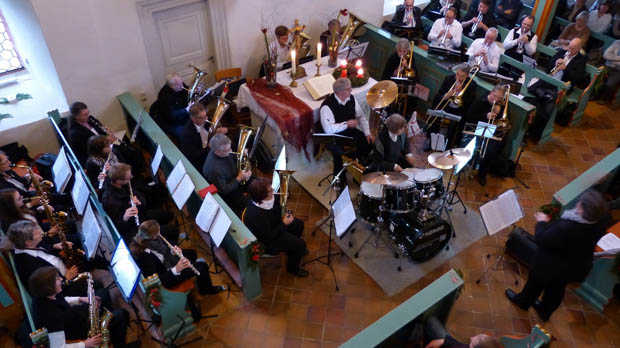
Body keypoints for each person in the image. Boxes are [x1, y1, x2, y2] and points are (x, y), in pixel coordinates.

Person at [505, 190, 610, 321]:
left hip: (552, 264)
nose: (577, 203)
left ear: (583, 211)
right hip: (575, 266)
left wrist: (542, 222)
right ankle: (545, 311)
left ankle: (523, 302)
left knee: (535, 282)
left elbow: (542, 239)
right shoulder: (602, 219)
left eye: (580, 204)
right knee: (556, 288)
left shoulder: (569, 227)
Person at [29, 266, 138, 348]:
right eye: (57, 280)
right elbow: (58, 346)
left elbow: (61, 300)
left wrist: (80, 299)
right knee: (121, 314)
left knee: (103, 293)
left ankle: (110, 334)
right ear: (49, 287)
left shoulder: (43, 295)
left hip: (72, 317)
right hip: (78, 333)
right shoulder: (52, 317)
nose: (61, 280)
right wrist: (85, 344)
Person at [130, 220, 223, 294]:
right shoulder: (145, 257)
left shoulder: (148, 239)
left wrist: (172, 251)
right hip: (168, 276)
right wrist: (176, 269)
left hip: (167, 262)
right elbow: (154, 281)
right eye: (158, 232)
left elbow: (163, 250)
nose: (160, 233)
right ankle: (206, 290)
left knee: (192, 254)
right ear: (153, 236)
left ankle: (194, 275)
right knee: (202, 266)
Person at [244, 178, 308, 277]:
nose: (273, 190)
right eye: (270, 190)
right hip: (268, 242)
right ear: (263, 196)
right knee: (300, 244)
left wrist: (286, 199)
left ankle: (292, 251)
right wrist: (283, 223)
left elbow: (278, 205)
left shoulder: (267, 199)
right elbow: (267, 237)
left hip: (276, 227)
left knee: (299, 224)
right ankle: (292, 268)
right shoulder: (255, 215)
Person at [101, 163, 179, 243]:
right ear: (118, 181)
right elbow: (116, 227)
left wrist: (139, 201)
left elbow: (141, 197)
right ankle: (163, 247)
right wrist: (125, 218)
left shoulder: (124, 184)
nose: (131, 177)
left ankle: (158, 238)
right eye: (128, 177)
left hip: (141, 215)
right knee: (173, 231)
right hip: (135, 229)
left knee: (169, 215)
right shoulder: (108, 200)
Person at [319, 78, 373, 183]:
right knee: (338, 153)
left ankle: (356, 168)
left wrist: (367, 133)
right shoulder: (327, 106)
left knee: (367, 142)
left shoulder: (351, 99)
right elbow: (328, 129)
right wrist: (347, 124)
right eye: (348, 89)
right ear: (340, 92)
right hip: (332, 135)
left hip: (347, 130)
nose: (351, 90)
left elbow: (361, 116)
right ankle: (339, 178)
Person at [461, 85, 505, 186]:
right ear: (491, 92)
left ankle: (482, 174)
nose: (497, 99)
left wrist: (499, 114)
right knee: (469, 146)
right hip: (475, 129)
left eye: (499, 98)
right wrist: (486, 116)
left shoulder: (502, 106)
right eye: (495, 96)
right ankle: (463, 166)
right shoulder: (480, 101)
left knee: (490, 151)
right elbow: (469, 116)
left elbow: (503, 123)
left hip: (490, 132)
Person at [202, 134, 252, 214]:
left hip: (236, 178)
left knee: (259, 184)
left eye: (230, 147)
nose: (231, 150)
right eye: (228, 149)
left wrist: (245, 169)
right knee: (249, 206)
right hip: (229, 191)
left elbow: (233, 157)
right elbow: (223, 190)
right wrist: (239, 178)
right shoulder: (214, 169)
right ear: (217, 152)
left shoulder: (224, 151)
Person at [430, 64, 477, 149]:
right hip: (446, 107)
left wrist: (460, 92)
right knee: (435, 120)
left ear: (467, 76)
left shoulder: (472, 85)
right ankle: (431, 143)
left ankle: (447, 147)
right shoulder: (449, 79)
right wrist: (446, 96)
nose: (458, 78)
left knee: (452, 128)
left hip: (459, 111)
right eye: (457, 74)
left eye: (461, 76)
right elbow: (438, 96)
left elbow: (469, 103)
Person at [179, 103, 227, 170]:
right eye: (202, 118)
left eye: (205, 115)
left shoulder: (205, 120)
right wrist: (209, 147)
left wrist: (223, 130)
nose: (206, 119)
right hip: (201, 161)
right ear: (193, 119)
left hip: (212, 149)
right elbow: (192, 156)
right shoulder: (187, 134)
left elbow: (216, 127)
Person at [155, 73, 190, 141]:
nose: (182, 86)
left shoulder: (179, 84)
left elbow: (188, 92)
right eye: (179, 85)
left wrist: (197, 92)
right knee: (184, 135)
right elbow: (172, 115)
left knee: (200, 123)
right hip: (171, 122)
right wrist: (186, 110)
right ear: (172, 86)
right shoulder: (164, 96)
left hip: (183, 116)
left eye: (182, 83)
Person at [598, 39, 620, 104]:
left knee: (609, 85)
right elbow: (605, 55)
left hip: (618, 71)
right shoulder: (617, 42)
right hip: (607, 66)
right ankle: (593, 95)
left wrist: (612, 58)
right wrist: (618, 58)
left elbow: (609, 57)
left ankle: (604, 99)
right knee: (596, 77)